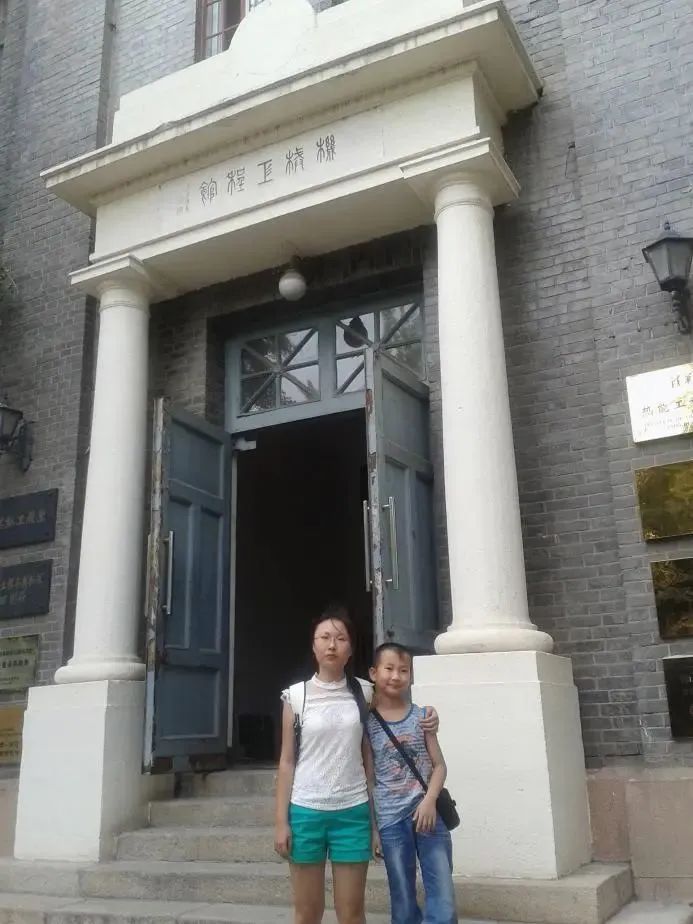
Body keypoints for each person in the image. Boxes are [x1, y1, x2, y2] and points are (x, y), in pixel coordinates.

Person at [274, 604, 438, 924]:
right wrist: (281, 821)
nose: (332, 645)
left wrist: (428, 715)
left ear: (350, 649)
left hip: (352, 812)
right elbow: (287, 762)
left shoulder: (364, 692)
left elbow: (397, 710)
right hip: (306, 810)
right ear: (313, 646)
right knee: (307, 913)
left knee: (351, 914)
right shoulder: (295, 697)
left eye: (340, 639)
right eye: (324, 637)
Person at [367, 642, 457, 924]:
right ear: (373, 673)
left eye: (403, 670)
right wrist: (374, 830)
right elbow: (370, 780)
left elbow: (439, 766)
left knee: (442, 891)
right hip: (391, 820)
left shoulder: (422, 717)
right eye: (389, 668)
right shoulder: (367, 724)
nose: (396, 676)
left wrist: (430, 801)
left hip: (428, 814)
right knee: (402, 896)